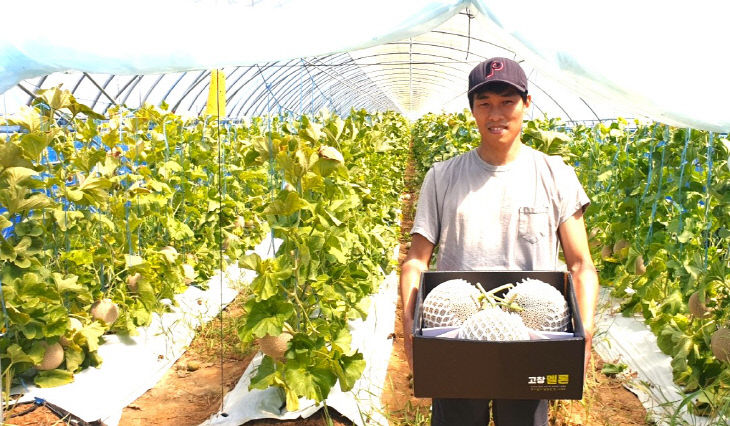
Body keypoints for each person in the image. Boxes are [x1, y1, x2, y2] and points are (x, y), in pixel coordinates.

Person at [399, 57, 600, 426]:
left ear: (527, 103)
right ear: (472, 110)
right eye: (485, 103)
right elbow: (416, 261)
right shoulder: (442, 176)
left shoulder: (557, 175)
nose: (496, 114)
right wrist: (410, 328)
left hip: (532, 338)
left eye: (507, 102)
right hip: (456, 333)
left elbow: (581, 265)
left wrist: (583, 334)